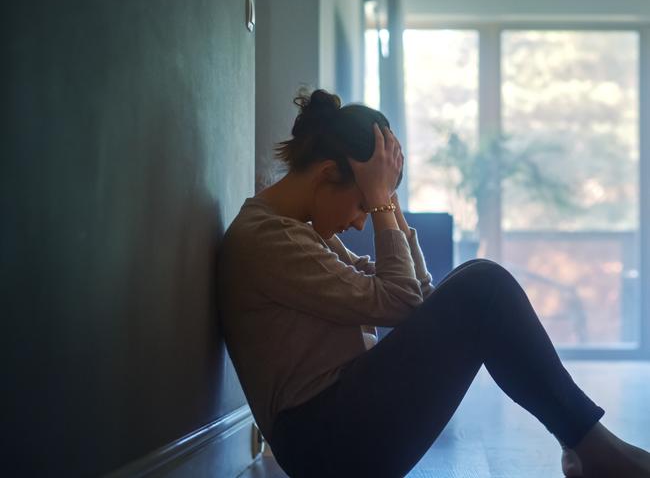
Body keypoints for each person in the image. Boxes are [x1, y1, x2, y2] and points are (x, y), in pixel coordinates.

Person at [216, 88, 650, 477]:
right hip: (324, 445)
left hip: (337, 426)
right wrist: (383, 201)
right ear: (328, 173)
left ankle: (584, 444)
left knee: (476, 281)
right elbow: (401, 301)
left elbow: (417, 298)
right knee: (483, 286)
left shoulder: (300, 233)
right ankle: (591, 447)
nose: (359, 222)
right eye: (363, 205)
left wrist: (389, 202)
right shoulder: (268, 238)